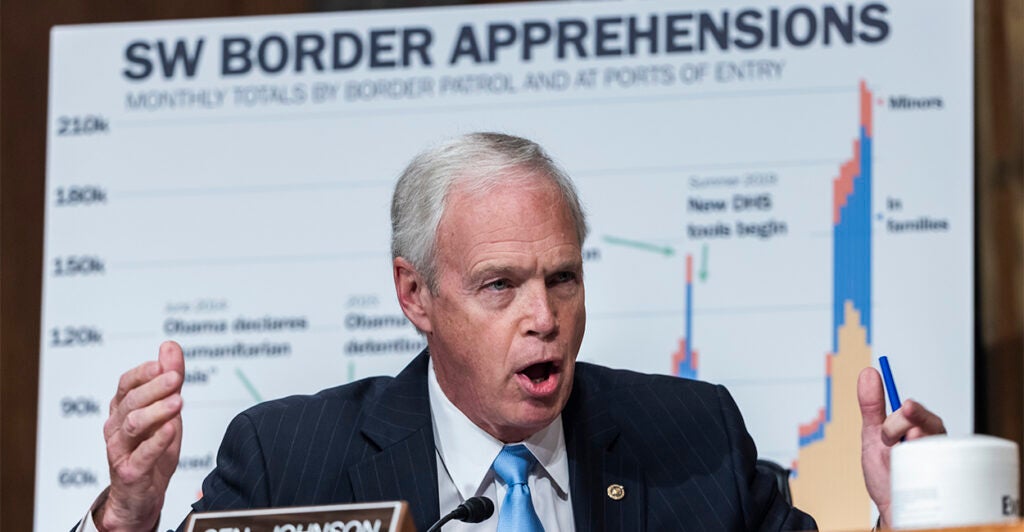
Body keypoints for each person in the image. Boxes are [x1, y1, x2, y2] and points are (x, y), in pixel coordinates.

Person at [78, 133, 946, 531]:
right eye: (500, 286)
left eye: (562, 278)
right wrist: (124, 517)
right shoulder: (286, 459)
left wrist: (905, 517)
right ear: (414, 295)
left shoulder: (695, 439)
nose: (545, 318)